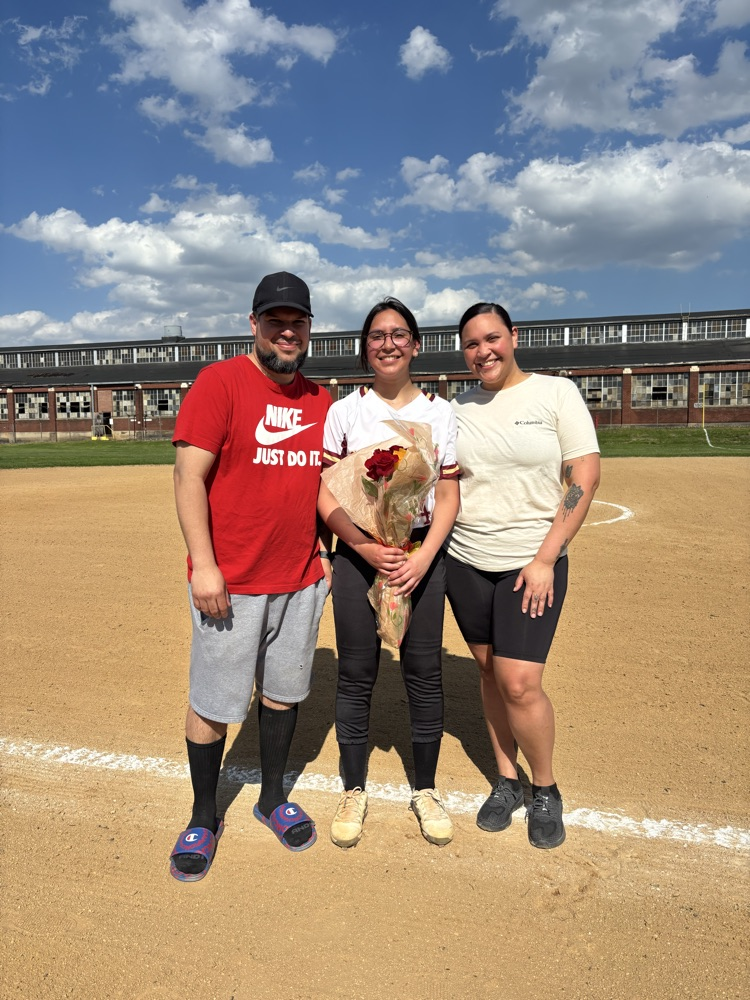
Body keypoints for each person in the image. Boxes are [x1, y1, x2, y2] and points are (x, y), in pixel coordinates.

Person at [168, 271, 332, 881]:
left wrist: (334, 555)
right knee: (213, 703)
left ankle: (270, 799)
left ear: (309, 330)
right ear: (254, 324)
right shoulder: (220, 383)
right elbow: (188, 477)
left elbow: (330, 489)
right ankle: (204, 816)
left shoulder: (320, 401)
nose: (286, 332)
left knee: (284, 693)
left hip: (300, 579)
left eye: (298, 323)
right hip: (230, 582)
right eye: (275, 321)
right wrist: (205, 566)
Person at [445, 302, 600, 849]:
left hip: (529, 562)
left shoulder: (555, 393)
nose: (482, 351)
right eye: (471, 344)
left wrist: (545, 557)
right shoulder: (456, 407)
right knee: (488, 673)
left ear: (513, 337)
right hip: (465, 561)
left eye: (492, 339)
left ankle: (545, 787)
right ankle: (506, 781)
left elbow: (584, 473)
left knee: (519, 682)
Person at [318, 297, 460, 848]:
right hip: (362, 553)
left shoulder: (439, 412)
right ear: (364, 347)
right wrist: (360, 545)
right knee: (356, 671)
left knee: (423, 671)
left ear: (416, 345)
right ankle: (354, 787)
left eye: (399, 334)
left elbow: (447, 490)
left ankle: (424, 788)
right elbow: (327, 491)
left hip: (421, 551)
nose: (388, 343)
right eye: (377, 335)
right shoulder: (343, 412)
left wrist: (423, 556)